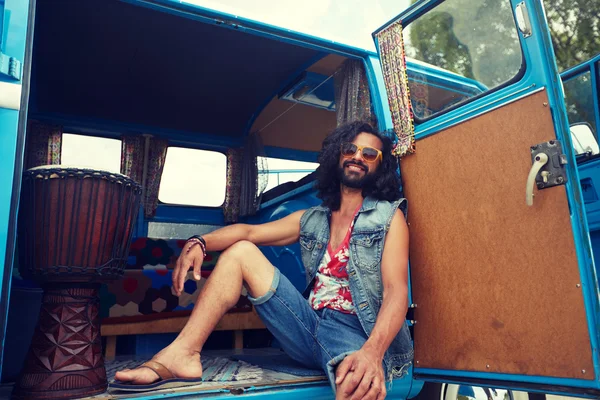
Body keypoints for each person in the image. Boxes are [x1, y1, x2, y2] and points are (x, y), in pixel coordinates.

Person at [113, 120, 413, 400]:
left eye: (369, 153)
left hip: (355, 333)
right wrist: (200, 242)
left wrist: (373, 353)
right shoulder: (313, 219)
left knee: (357, 385)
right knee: (241, 250)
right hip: (306, 325)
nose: (357, 156)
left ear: (380, 165)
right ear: (338, 156)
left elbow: (396, 292)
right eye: (350, 149)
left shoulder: (388, 218)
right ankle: (183, 354)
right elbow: (249, 231)